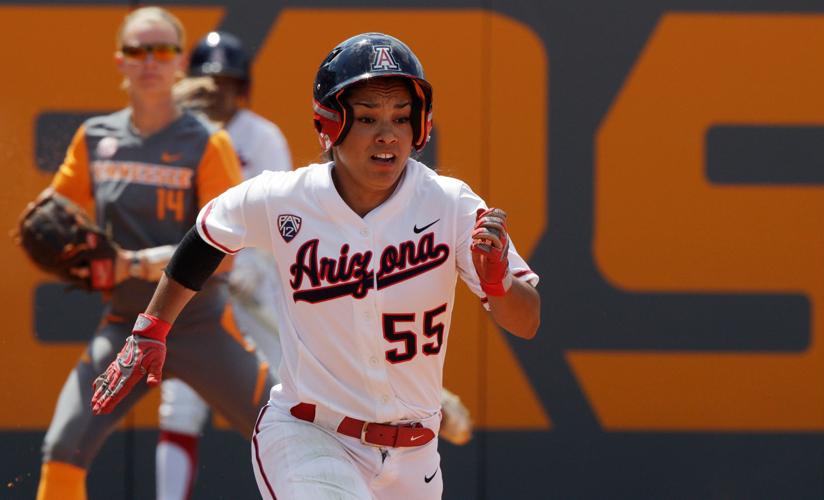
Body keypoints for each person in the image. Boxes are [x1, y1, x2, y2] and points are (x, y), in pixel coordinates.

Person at [91, 32, 541, 500]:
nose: (387, 133)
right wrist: (152, 327)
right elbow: (207, 236)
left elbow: (527, 322)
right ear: (330, 124)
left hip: (416, 456)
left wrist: (499, 283)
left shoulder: (452, 206)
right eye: (367, 117)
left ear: (421, 125)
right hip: (311, 435)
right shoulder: (284, 198)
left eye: (401, 117)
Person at [33, 8, 276, 499]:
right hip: (126, 325)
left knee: (290, 433)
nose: (150, 61)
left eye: (162, 50)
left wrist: (134, 262)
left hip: (202, 325)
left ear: (179, 62)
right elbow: (54, 216)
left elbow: (226, 250)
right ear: (120, 61)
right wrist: (49, 228)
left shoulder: (209, 141)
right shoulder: (96, 139)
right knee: (64, 444)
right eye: (138, 51)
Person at [155, 30, 292, 500]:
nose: (217, 91)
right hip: (197, 290)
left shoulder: (263, 137)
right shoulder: (177, 136)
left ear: (244, 88)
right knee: (179, 407)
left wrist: (248, 265)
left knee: (286, 404)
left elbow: (283, 217)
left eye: (228, 82)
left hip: (258, 289)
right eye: (207, 82)